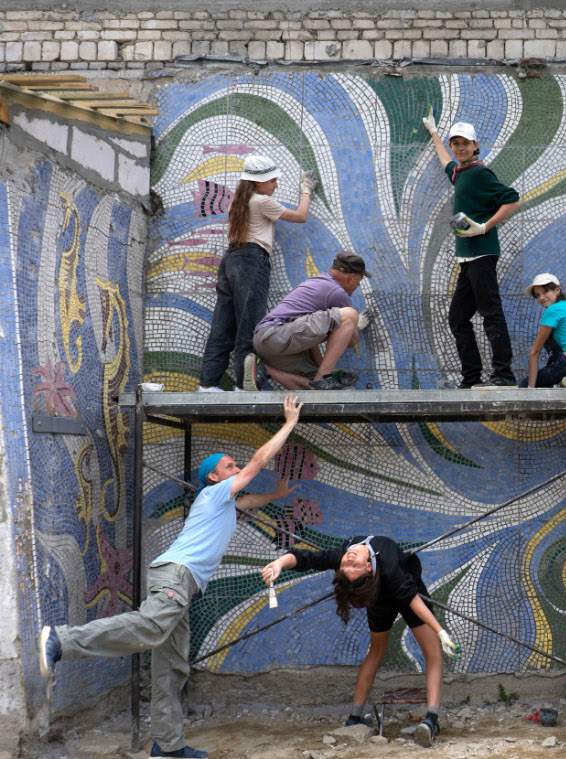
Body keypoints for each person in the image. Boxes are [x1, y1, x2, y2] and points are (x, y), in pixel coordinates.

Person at [39, 396, 304, 759]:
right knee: (150, 626)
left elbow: (249, 501)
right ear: (214, 476)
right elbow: (257, 464)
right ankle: (61, 641)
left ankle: (167, 745)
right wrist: (288, 424)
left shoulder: (223, 503)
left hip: (183, 581)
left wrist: (276, 494)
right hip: (176, 575)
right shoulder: (213, 494)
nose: (237, 468)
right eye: (230, 466)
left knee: (172, 664)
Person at [259, 536, 462, 748]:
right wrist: (440, 631)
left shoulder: (347, 553)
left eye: (348, 564)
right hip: (394, 598)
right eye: (350, 563)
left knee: (413, 652)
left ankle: (419, 719)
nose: (348, 558)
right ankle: (375, 718)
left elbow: (306, 559)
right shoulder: (386, 559)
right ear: (367, 568)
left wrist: (279, 563)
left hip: (399, 593)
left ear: (368, 566)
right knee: (421, 653)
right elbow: (411, 598)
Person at [199, 155, 313, 392]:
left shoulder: (238, 202)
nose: (276, 185)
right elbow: (300, 216)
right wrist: (306, 190)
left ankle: (208, 384)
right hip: (252, 260)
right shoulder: (262, 202)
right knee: (249, 326)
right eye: (272, 181)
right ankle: (243, 385)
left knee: (222, 326)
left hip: (231, 260)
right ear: (259, 182)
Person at [423, 118, 522, 388]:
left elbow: (512, 199)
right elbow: (447, 164)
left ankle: (503, 375)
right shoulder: (462, 172)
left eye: (465, 143)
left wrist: (485, 227)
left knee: (491, 313)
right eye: (456, 143)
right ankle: (471, 378)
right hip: (467, 259)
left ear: (476, 145)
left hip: (482, 254)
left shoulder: (479, 173)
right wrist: (434, 134)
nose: (459, 148)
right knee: (458, 318)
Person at [249, 252, 371, 391]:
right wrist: (357, 325)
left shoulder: (319, 282)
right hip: (275, 334)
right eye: (358, 282)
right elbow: (351, 341)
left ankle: (265, 369)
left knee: (318, 388)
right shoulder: (337, 292)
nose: (357, 286)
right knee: (350, 315)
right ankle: (323, 377)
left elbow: (309, 338)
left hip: (270, 345)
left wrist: (320, 372)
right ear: (351, 277)